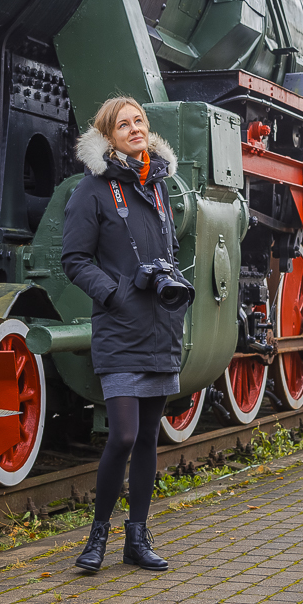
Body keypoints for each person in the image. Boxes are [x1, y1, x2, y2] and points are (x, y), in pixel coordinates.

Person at [61, 95, 194, 572]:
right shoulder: (91, 190)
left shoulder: (157, 186)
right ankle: (97, 537)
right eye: (124, 125)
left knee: (147, 441)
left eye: (140, 121)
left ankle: (136, 540)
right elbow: (74, 260)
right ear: (108, 136)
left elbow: (168, 252)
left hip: (159, 328)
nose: (136, 129)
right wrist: (116, 293)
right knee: (122, 435)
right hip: (119, 329)